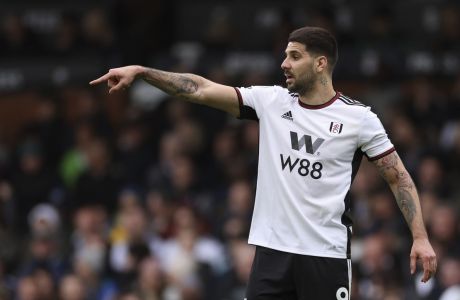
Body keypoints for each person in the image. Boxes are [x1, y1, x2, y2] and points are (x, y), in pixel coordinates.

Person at [90, 26, 437, 299]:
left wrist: (419, 237)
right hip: (271, 252)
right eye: (285, 55)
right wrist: (143, 71)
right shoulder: (271, 102)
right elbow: (198, 89)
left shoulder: (358, 118)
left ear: (321, 64)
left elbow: (399, 178)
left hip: (324, 253)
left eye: (294, 56)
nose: (284, 63)